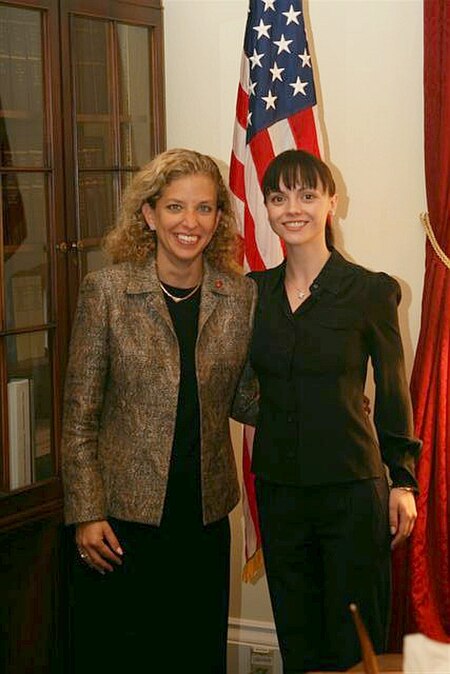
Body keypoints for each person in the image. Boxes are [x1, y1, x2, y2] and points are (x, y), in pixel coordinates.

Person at [61, 148, 258, 674]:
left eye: (204, 208)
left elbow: (245, 398)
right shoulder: (106, 291)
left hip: (203, 519)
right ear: (149, 214)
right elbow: (79, 415)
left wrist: (323, 399)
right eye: (175, 207)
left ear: (218, 220)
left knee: (194, 657)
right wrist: (86, 512)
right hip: (120, 525)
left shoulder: (238, 297)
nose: (189, 222)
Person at [245, 149, 422, 673]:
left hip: (351, 490)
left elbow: (392, 392)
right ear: (268, 208)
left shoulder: (371, 291)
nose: (291, 207)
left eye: (306, 194)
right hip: (278, 491)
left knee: (353, 645)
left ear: (331, 203)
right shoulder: (252, 293)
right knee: (299, 645)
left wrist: (403, 480)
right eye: (278, 197)